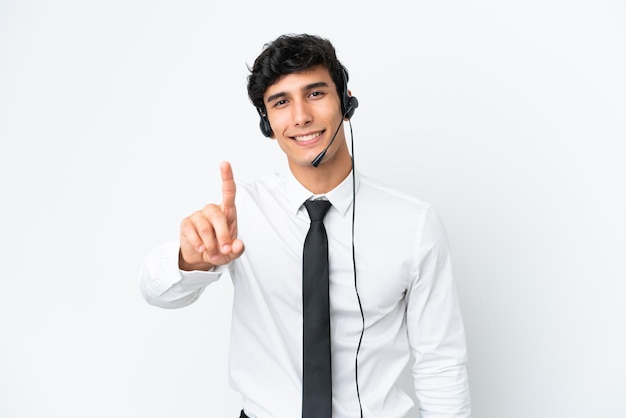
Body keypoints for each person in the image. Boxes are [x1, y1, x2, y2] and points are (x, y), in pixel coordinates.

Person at [140, 33, 471, 418]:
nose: (300, 117)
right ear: (268, 123)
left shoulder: (415, 224)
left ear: (346, 101)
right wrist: (190, 260)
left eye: (315, 94)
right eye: (281, 102)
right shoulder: (242, 210)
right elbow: (156, 291)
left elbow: (441, 363)